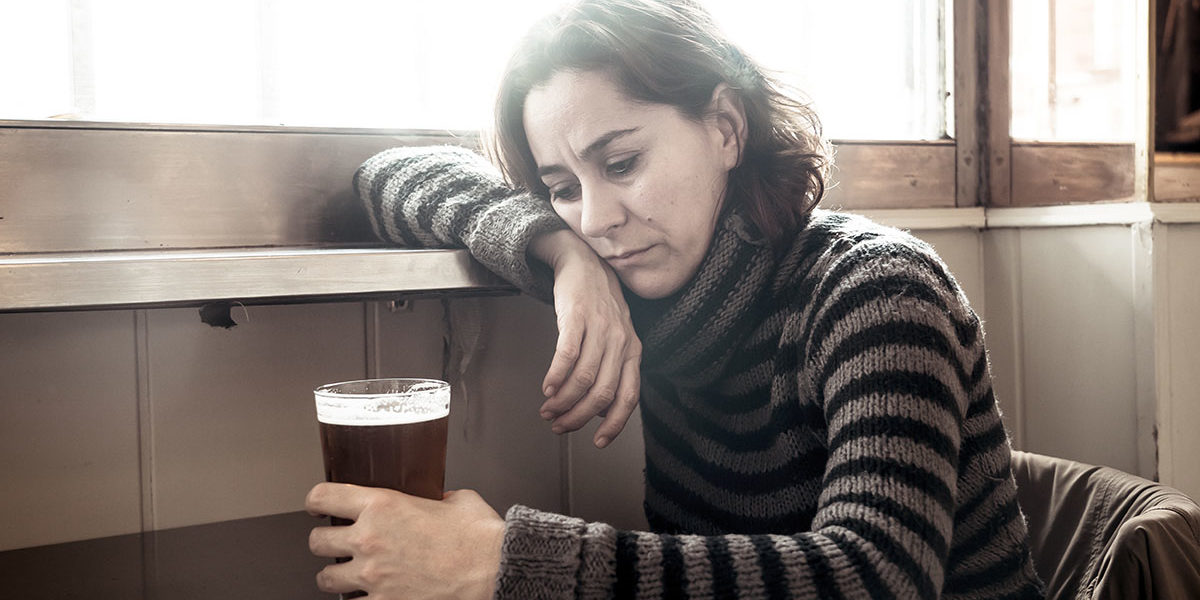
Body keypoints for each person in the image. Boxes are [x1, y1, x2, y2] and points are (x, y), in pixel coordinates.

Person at [305, 0, 1046, 598]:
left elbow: (877, 576)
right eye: (563, 186)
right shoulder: (619, 265)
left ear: (725, 127)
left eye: (621, 163)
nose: (596, 218)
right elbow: (388, 175)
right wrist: (560, 254)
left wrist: (505, 563)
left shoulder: (875, 289)